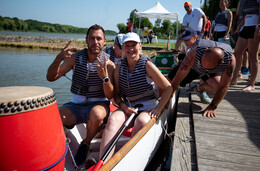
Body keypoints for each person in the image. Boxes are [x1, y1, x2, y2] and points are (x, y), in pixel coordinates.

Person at [46, 24, 115, 165]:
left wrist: (105, 78)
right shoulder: (76, 59)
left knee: (96, 114)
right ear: (86, 40)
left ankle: (86, 143)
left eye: (98, 39)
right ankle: (56, 150)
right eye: (92, 38)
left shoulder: (109, 65)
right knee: (55, 117)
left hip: (99, 105)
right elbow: (51, 78)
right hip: (75, 106)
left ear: (104, 41)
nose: (95, 42)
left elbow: (111, 96)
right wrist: (58, 59)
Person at [99, 32, 173, 163]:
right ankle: (103, 163)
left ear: (140, 46)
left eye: (133, 45)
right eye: (127, 46)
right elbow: (116, 96)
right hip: (128, 107)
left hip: (148, 107)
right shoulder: (119, 68)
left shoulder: (147, 65)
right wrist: (124, 107)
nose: (130, 49)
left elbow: (168, 88)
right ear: (122, 48)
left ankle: (127, 160)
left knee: (142, 121)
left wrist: (159, 107)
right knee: (113, 119)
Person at [170, 31, 236, 118]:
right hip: (195, 67)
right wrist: (170, 93)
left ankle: (199, 88)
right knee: (170, 79)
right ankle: (202, 78)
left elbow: (224, 86)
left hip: (211, 71)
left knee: (216, 86)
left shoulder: (230, 61)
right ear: (205, 51)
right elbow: (180, 74)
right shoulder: (195, 51)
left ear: (221, 62)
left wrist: (212, 106)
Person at [231, 0, 260, 91]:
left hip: (254, 26)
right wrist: (239, 26)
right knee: (237, 53)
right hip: (246, 26)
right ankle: (234, 79)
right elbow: (246, 13)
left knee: (253, 56)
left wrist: (258, 27)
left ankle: (251, 84)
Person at [169, 29, 211, 104]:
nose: (185, 42)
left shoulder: (200, 47)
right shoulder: (188, 44)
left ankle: (200, 89)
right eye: (183, 40)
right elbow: (182, 55)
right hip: (196, 68)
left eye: (187, 40)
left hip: (207, 69)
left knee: (175, 77)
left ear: (195, 37)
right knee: (172, 75)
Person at [232, 0, 250, 75]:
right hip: (241, 26)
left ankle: (247, 69)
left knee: (250, 51)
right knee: (239, 51)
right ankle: (238, 71)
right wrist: (235, 27)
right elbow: (237, 15)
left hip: (250, 25)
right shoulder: (241, 1)